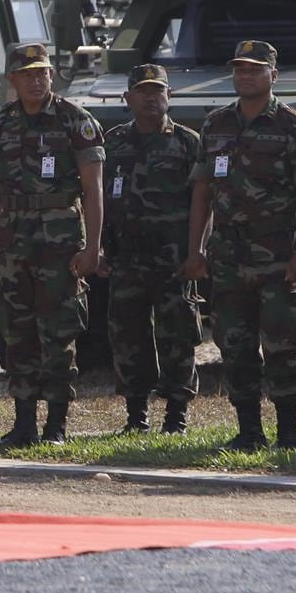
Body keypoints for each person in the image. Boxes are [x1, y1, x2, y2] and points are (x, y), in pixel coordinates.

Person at [185, 40, 296, 451]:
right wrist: (196, 249)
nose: (245, 76)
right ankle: (249, 431)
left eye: (254, 69)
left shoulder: (294, 125)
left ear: (272, 76)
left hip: (278, 253)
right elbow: (202, 193)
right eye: (240, 69)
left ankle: (288, 433)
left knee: (282, 345)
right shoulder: (216, 125)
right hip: (228, 255)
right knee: (234, 346)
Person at [0, 41, 104, 446]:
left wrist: (92, 248)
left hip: (60, 244)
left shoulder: (75, 121)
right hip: (14, 243)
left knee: (58, 333)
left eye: (43, 73)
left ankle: (56, 426)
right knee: (16, 333)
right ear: (12, 80)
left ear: (52, 75)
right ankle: (23, 424)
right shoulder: (2, 124)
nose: (36, 80)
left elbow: (93, 190)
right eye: (27, 74)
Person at [100, 62, 202, 434]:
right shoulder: (113, 143)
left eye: (157, 90)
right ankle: (136, 416)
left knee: (177, 335)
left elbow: (202, 202)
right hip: (126, 257)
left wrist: (197, 251)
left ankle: (176, 416)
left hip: (173, 259)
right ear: (128, 98)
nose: (150, 98)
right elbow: (96, 196)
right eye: (142, 91)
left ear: (169, 96)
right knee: (128, 336)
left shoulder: (188, 143)